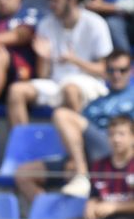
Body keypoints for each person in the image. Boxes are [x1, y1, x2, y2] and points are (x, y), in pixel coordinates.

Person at [15, 50, 134, 201]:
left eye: (122, 70)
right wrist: (74, 158)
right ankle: (50, 217)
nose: (116, 75)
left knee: (62, 114)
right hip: (88, 156)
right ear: (105, 72)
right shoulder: (96, 101)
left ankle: (81, 175)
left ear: (130, 71)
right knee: (24, 174)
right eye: (111, 70)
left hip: (117, 152)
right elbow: (77, 133)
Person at [6, 0, 114, 125]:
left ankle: (80, 139)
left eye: (56, 0)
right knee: (16, 91)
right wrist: (43, 57)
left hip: (88, 83)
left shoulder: (96, 24)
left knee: (70, 90)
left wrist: (74, 60)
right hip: (55, 84)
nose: (51, 5)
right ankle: (23, 144)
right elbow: (43, 75)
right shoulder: (45, 24)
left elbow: (105, 71)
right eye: (50, 0)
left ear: (72, 0)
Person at [84, 115, 134, 219]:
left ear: (132, 137)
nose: (116, 139)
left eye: (121, 134)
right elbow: (95, 194)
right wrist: (91, 204)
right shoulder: (98, 166)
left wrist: (115, 207)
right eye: (111, 134)